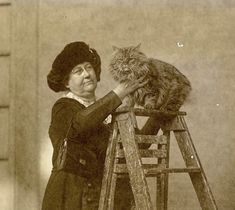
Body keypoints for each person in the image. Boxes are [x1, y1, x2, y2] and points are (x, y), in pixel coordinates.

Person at [42, 41, 159, 210]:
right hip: (71, 197)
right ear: (67, 83)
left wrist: (160, 112)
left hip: (102, 197)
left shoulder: (108, 110)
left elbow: (138, 145)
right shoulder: (63, 107)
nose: (87, 74)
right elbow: (80, 125)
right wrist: (118, 93)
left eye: (88, 67)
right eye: (78, 71)